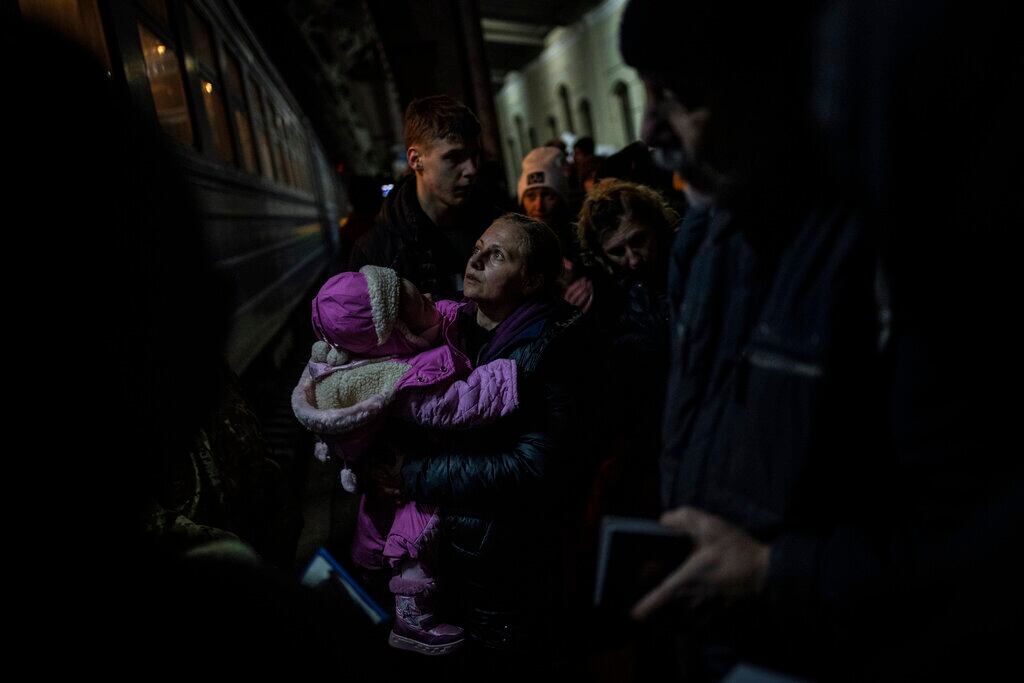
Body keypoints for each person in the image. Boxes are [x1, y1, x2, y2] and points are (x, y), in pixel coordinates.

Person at [619, 1, 1022, 681]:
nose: (649, 128)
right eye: (645, 91)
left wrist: (778, 571)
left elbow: (979, 536)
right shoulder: (710, 238)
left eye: (681, 94)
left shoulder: (884, 241)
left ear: (772, 85)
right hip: (726, 649)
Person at [370, 213, 596, 666]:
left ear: (530, 280)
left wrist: (414, 474)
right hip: (460, 559)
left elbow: (535, 467)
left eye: (497, 256)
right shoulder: (455, 327)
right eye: (478, 247)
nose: (475, 260)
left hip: (510, 572)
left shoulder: (552, 349)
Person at [292, 266, 522, 655]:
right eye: (415, 303)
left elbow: (446, 315)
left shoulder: (405, 339)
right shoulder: (400, 379)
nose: (428, 298)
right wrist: (503, 377)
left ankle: (376, 583)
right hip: (410, 482)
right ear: (396, 331)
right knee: (414, 539)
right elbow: (455, 404)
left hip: (407, 468)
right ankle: (411, 618)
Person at [349, 95, 498, 300]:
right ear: (415, 160)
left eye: (475, 156)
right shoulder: (377, 253)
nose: (471, 169)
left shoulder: (497, 226)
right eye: (453, 157)